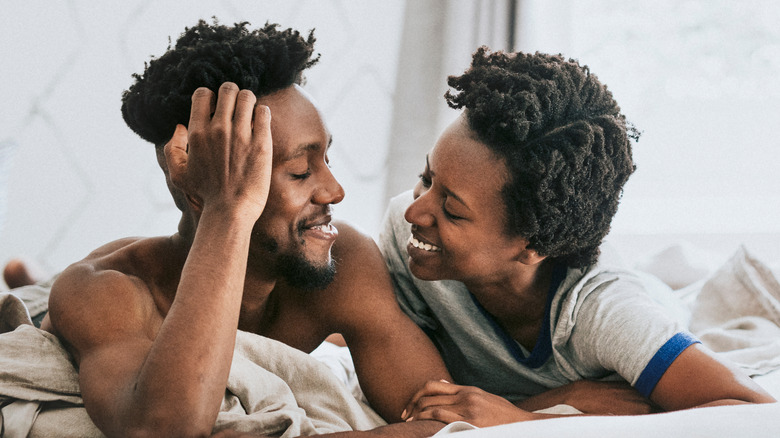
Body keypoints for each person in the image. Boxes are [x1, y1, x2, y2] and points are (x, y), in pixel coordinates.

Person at [40, 20, 453, 438]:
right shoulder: (106, 291)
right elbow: (163, 429)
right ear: (196, 186)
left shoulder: (344, 261)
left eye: (327, 160)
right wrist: (226, 210)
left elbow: (447, 423)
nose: (334, 191)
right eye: (299, 172)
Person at [380, 48, 776, 428]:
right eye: (427, 178)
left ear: (533, 246)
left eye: (452, 210)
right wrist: (565, 398)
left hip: (651, 301)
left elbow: (754, 412)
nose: (415, 211)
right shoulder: (406, 234)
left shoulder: (607, 315)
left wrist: (527, 422)